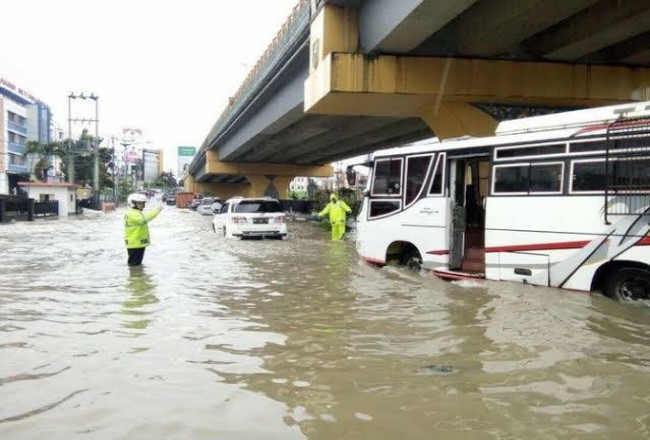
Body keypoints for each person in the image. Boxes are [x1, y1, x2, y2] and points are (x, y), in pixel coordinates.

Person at [124, 193, 162, 266]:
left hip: (137, 243)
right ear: (132, 204)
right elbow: (143, 220)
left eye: (142, 203)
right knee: (134, 265)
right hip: (135, 243)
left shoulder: (135, 212)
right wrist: (156, 211)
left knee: (137, 265)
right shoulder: (132, 213)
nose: (142, 205)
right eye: (139, 203)